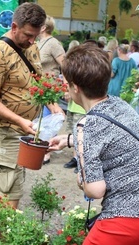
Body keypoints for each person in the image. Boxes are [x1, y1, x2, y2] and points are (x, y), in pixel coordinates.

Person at [48, 44, 139, 245]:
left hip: (128, 221)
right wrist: (70, 140)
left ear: (75, 87)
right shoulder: (120, 105)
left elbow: (95, 190)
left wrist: (82, 176)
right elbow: (115, 136)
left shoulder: (86, 126)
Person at [0, 2, 49, 209]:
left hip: (24, 130)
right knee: (11, 190)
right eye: (28, 35)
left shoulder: (32, 47)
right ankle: (5, 240)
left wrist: (53, 105)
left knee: (5, 182)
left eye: (35, 36)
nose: (31, 40)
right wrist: (20, 119)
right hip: (5, 131)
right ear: (14, 27)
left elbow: (39, 81)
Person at [37, 15, 66, 164]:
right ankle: (39, 146)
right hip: (39, 86)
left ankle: (46, 152)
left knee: (48, 118)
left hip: (50, 87)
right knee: (40, 119)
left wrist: (66, 86)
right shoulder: (39, 42)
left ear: (43, 27)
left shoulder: (54, 43)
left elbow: (65, 64)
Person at [63, 40, 85, 170]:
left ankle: (80, 160)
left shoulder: (82, 68)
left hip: (80, 107)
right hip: (72, 105)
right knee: (73, 131)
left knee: (80, 132)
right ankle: (75, 157)